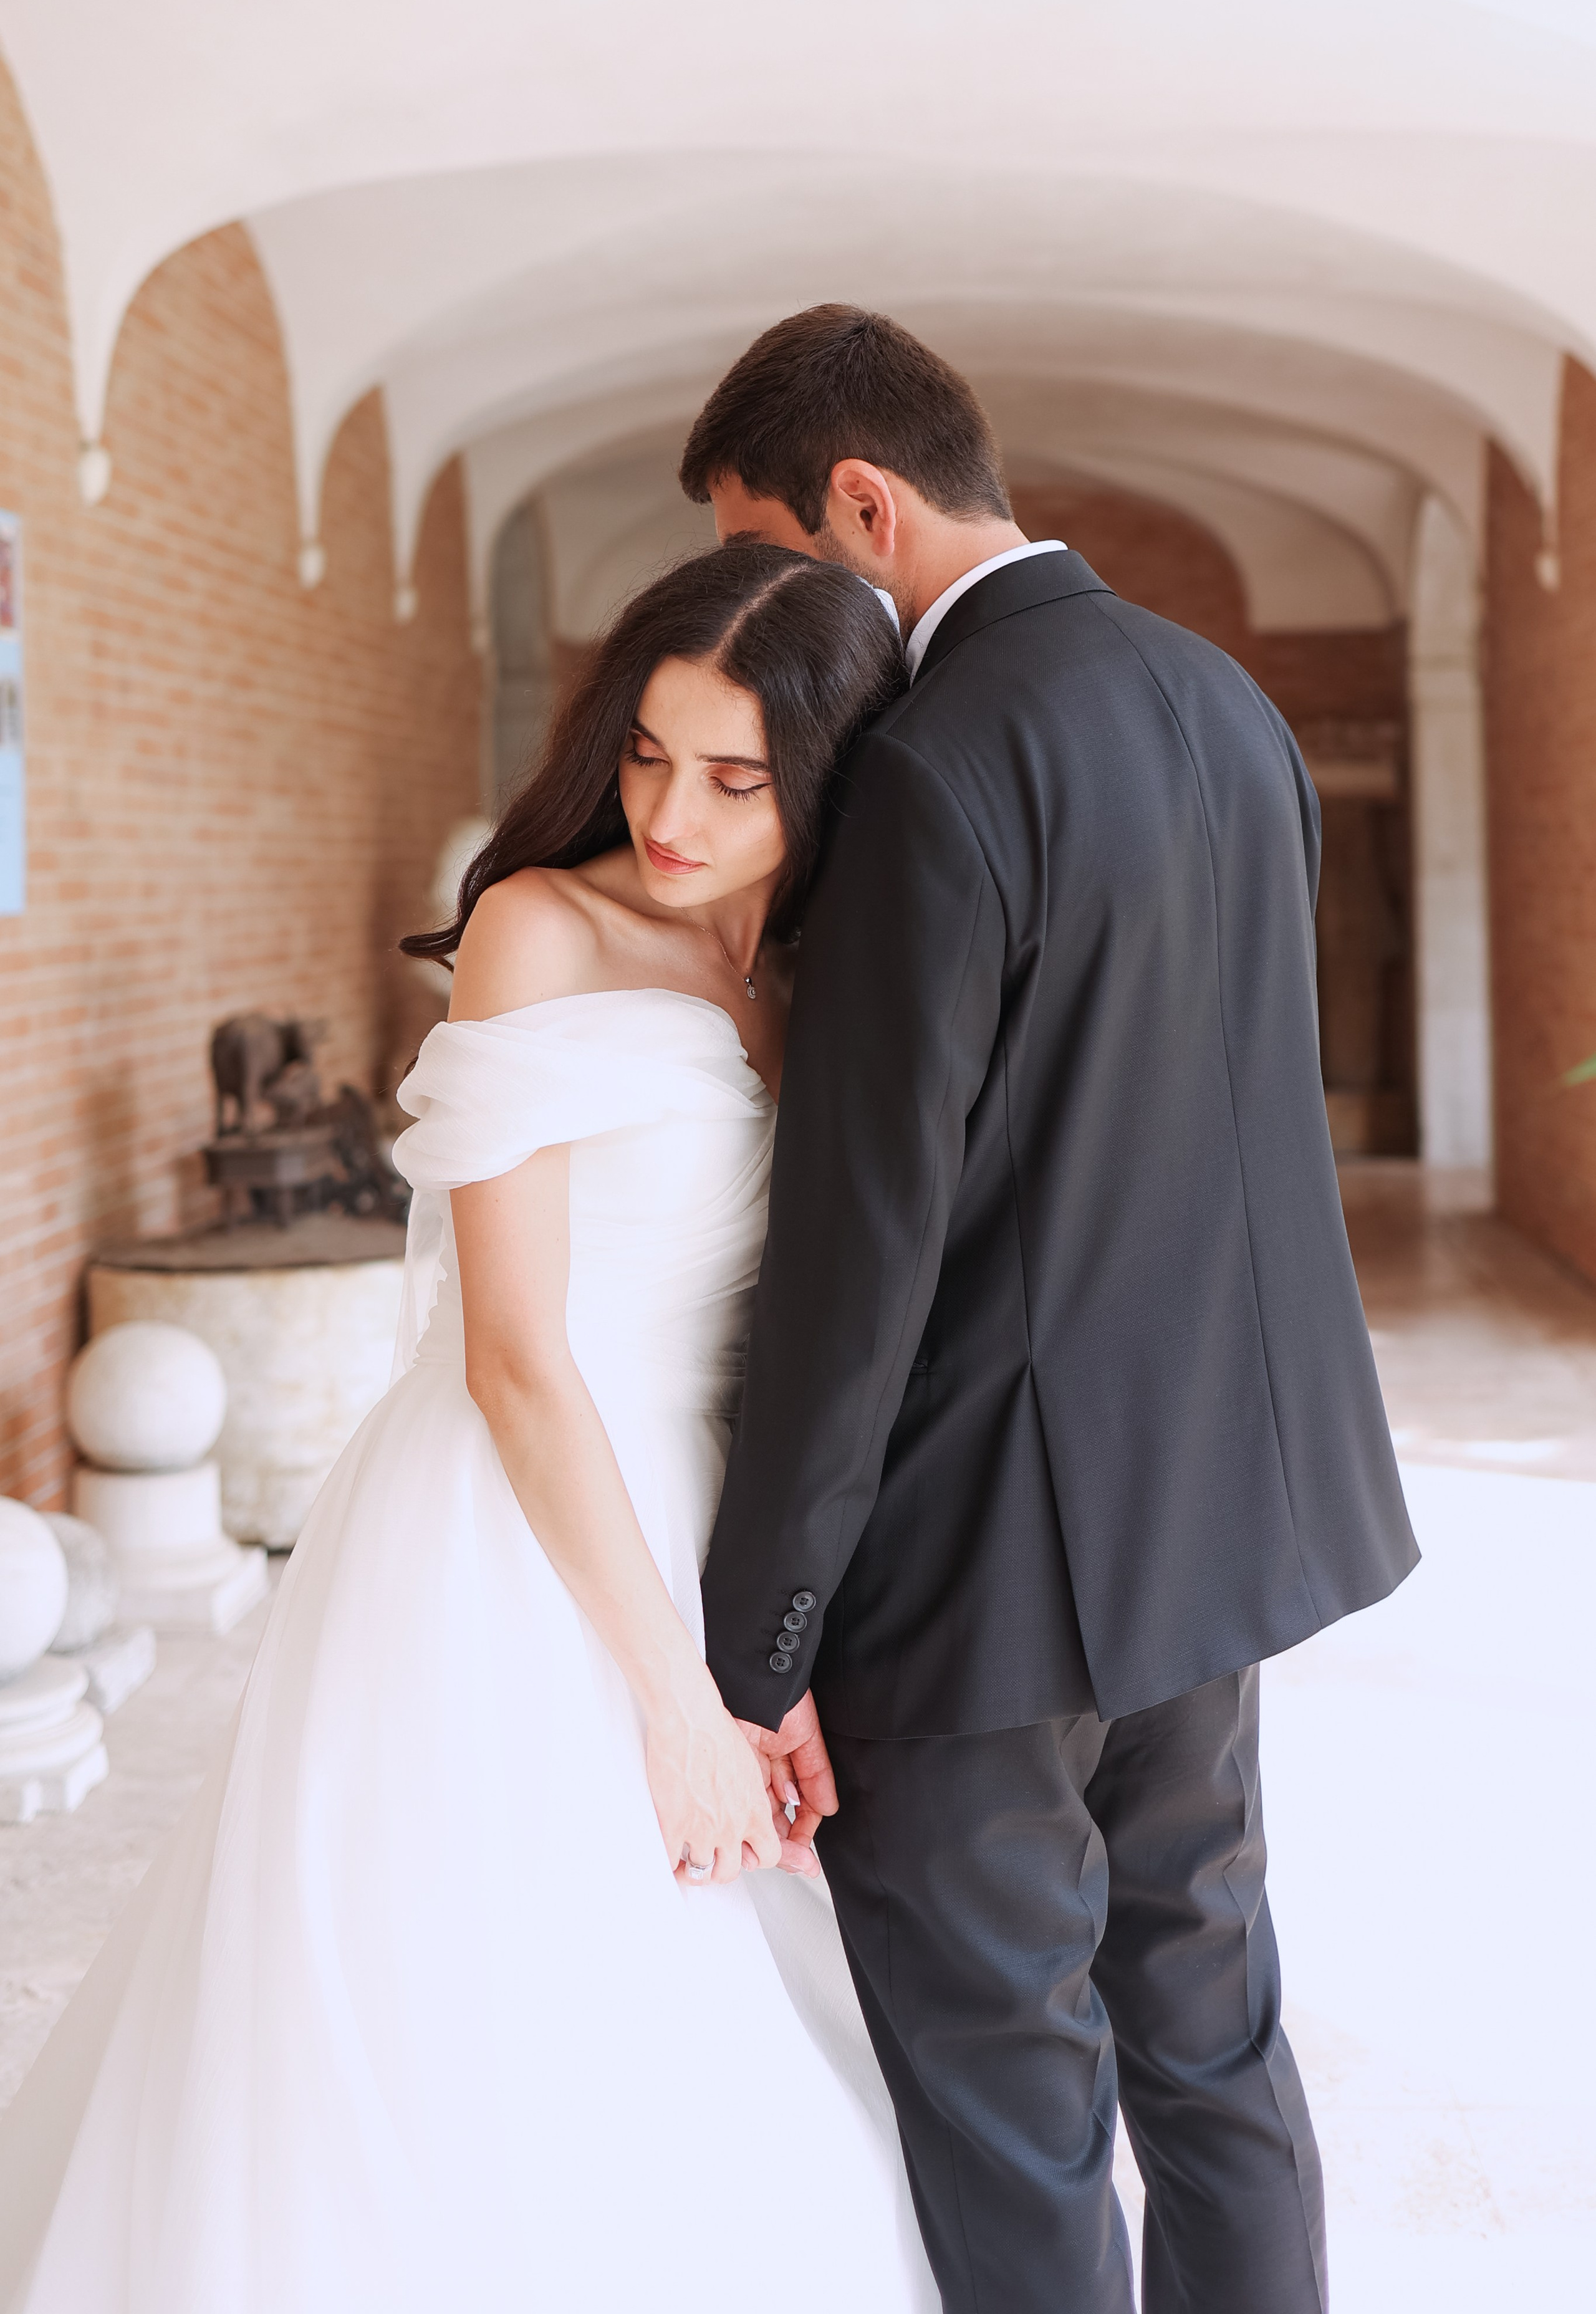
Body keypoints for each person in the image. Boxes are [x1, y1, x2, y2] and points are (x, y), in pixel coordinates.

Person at [0, 544, 937, 2314]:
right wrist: (678, 1705)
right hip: (505, 1515)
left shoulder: (821, 970)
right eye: (648, 753)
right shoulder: (539, 928)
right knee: (480, 1978)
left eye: (734, 779)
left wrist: (777, 1638)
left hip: (704, 1502)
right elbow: (513, 1354)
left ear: (820, 774)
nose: (670, 811)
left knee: (708, 2004)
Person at [684, 305, 1421, 2314]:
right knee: (1210, 2030)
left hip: (987, 1571)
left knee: (1012, 2101)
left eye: (770, 550)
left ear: (864, 501)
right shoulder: (1223, 700)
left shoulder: (932, 765)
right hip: (1215, 1522)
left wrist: (752, 1650)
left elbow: (860, 1259)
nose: (761, 605)